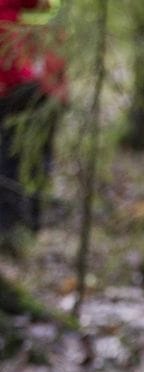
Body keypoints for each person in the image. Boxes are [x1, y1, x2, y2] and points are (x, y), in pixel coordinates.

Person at [0, 0, 65, 243]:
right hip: (21, 90)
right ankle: (15, 226)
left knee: (25, 157)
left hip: (33, 89)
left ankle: (24, 223)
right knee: (13, 157)